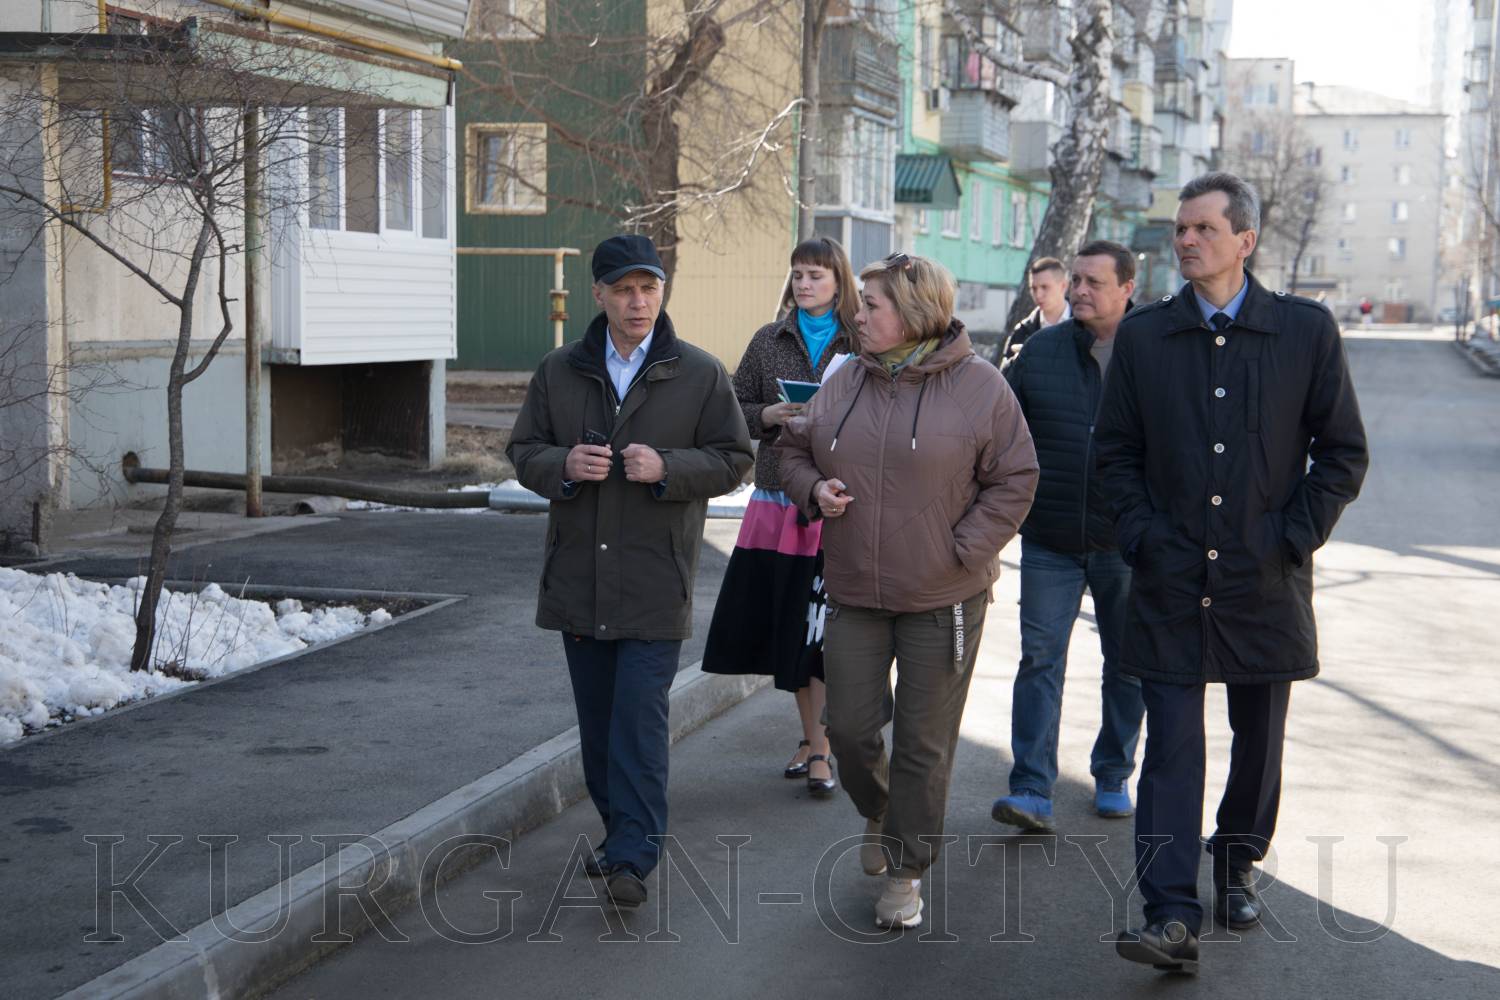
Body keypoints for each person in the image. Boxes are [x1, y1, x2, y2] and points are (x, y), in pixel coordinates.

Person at [1095, 172, 1368, 973]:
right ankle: (1170, 917)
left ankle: (1238, 857)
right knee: (1172, 750)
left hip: (1264, 579)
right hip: (1170, 579)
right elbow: (1113, 454)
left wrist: (1292, 537)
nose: (1185, 239)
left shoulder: (1304, 332)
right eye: (1180, 229)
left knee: (1259, 744)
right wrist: (1143, 535)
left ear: (1244, 241)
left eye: (1203, 229)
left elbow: (1342, 452)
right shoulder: (1146, 337)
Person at [778, 252, 1038, 930]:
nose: (858, 315)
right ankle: (883, 811)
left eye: (871, 305)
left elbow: (1016, 478)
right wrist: (814, 488)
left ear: (914, 311)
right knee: (847, 728)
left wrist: (962, 550)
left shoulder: (981, 386)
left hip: (943, 599)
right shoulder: (845, 378)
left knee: (924, 744)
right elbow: (792, 450)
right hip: (855, 591)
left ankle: (905, 871)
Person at [506, 234, 754, 910]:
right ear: (599, 294)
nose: (638, 301)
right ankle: (621, 834)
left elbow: (735, 459)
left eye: (648, 288)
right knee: (598, 725)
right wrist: (562, 465)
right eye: (623, 289)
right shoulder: (559, 371)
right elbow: (523, 449)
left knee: (638, 720)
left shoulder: (699, 373)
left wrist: (668, 467)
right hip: (579, 579)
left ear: (662, 292)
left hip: (654, 578)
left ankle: (634, 856)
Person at [990, 240, 1145, 834]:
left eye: (1093, 282)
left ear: (1127, 288)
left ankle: (1113, 773)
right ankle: (1031, 787)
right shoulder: (1041, 351)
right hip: (1050, 537)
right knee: (1040, 658)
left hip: (1126, 541)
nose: (1079, 290)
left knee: (1127, 664)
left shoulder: (1156, 352)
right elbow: (998, 428)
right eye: (1075, 280)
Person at [702, 238, 858, 798]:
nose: (804, 284)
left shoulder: (861, 338)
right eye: (797, 274)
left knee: (827, 631)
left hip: (842, 501)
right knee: (795, 626)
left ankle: (821, 745)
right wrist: (767, 414)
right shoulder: (769, 340)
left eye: (816, 274)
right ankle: (814, 742)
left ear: (839, 281)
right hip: (779, 501)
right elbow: (730, 408)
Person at [1002, 257, 1070, 361]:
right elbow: (1005, 370)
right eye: (1034, 288)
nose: (1038, 295)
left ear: (1063, 286)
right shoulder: (1022, 331)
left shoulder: (1086, 326)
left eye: (1044, 287)